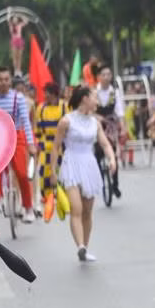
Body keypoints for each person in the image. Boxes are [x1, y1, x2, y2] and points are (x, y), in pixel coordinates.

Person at [53, 86, 117, 262]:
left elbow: (105, 144)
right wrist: (52, 172)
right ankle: (80, 246)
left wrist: (112, 159)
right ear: (84, 99)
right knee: (77, 208)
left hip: (89, 165)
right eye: (94, 97)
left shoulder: (95, 123)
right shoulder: (66, 121)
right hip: (71, 163)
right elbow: (56, 147)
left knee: (87, 211)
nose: (97, 101)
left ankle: (85, 248)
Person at [0, 67, 37, 222]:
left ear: (10, 81)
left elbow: (26, 122)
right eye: (0, 79)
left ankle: (28, 207)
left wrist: (30, 143)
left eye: (6, 79)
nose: (3, 82)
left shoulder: (18, 98)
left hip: (16, 135)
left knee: (22, 173)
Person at [35, 82, 68, 214]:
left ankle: (62, 196)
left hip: (61, 146)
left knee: (62, 171)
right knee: (44, 173)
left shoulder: (64, 107)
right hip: (46, 146)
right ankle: (48, 197)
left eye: (47, 93)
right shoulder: (41, 108)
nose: (45, 95)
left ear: (53, 94)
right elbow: (37, 130)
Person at [95, 64, 125, 198]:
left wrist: (122, 127)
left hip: (111, 125)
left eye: (108, 74)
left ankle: (115, 184)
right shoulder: (94, 92)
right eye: (104, 75)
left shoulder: (115, 92)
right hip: (97, 124)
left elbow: (120, 110)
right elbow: (89, 110)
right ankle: (100, 180)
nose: (106, 77)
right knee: (97, 154)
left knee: (113, 154)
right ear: (99, 77)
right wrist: (97, 117)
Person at [7, 9, 27, 75]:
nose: (15, 20)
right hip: (14, 41)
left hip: (20, 40)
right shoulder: (11, 25)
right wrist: (9, 11)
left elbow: (26, 21)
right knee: (14, 57)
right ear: (12, 20)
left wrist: (20, 14)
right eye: (14, 19)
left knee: (19, 57)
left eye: (16, 19)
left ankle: (19, 70)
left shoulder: (19, 25)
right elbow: (8, 18)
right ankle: (16, 70)